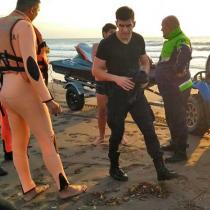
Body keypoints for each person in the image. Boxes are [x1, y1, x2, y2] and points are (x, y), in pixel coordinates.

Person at [0, 0, 86, 200]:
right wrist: (47, 99)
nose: (37, 13)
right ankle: (64, 187)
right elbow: (31, 66)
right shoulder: (24, 26)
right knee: (48, 139)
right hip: (25, 91)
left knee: (19, 144)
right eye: (38, 9)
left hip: (5, 89)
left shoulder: (2, 24)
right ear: (32, 8)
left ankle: (28, 189)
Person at [92, 6, 177, 181]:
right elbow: (96, 71)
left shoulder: (138, 40)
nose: (124, 30)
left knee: (149, 129)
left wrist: (145, 73)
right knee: (117, 133)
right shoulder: (106, 44)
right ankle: (114, 168)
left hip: (137, 94)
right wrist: (117, 79)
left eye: (128, 25)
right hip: (116, 95)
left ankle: (161, 169)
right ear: (116, 23)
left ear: (134, 24)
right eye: (121, 26)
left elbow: (144, 60)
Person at [156, 16, 192, 163]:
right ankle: (174, 143)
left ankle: (181, 152)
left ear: (170, 26)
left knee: (178, 119)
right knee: (171, 117)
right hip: (169, 88)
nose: (161, 30)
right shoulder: (170, 41)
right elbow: (165, 62)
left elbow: (185, 53)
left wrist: (177, 70)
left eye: (163, 27)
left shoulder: (181, 39)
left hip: (177, 88)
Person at [91, 23, 129, 146]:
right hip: (101, 82)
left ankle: (121, 135)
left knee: (118, 111)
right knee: (102, 110)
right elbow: (97, 65)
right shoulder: (97, 46)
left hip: (115, 82)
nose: (114, 34)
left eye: (115, 32)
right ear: (104, 33)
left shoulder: (119, 46)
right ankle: (101, 136)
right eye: (111, 32)